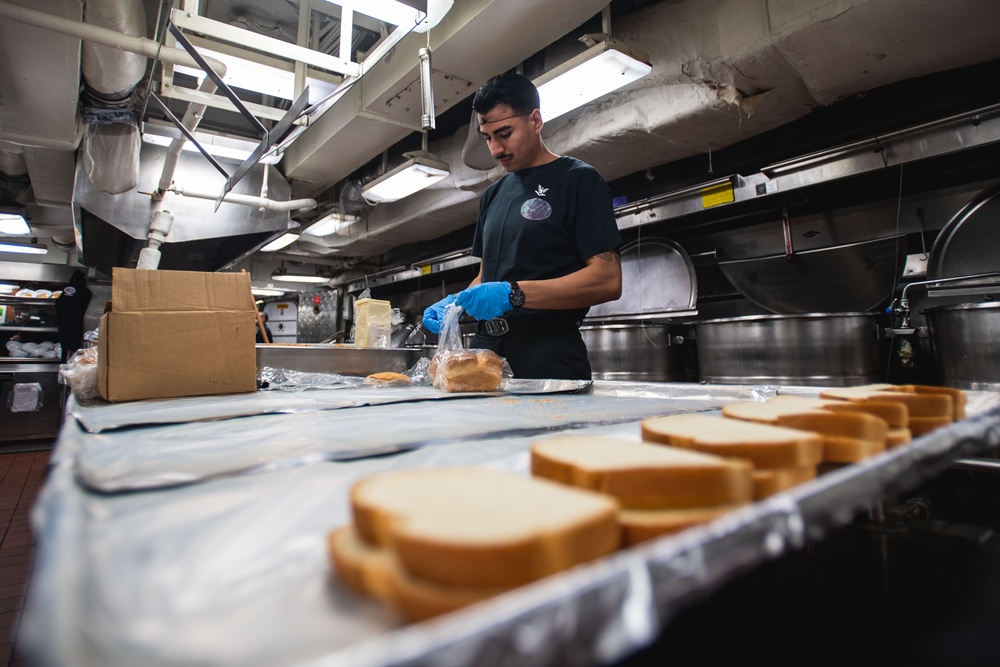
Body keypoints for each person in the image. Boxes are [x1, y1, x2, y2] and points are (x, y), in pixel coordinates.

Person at [423, 72, 622, 380]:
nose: (495, 150)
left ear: (536, 120)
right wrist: (456, 303)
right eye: (488, 137)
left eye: (504, 133)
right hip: (486, 354)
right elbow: (487, 275)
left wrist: (514, 294)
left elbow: (608, 279)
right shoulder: (492, 195)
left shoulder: (578, 180)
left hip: (548, 356)